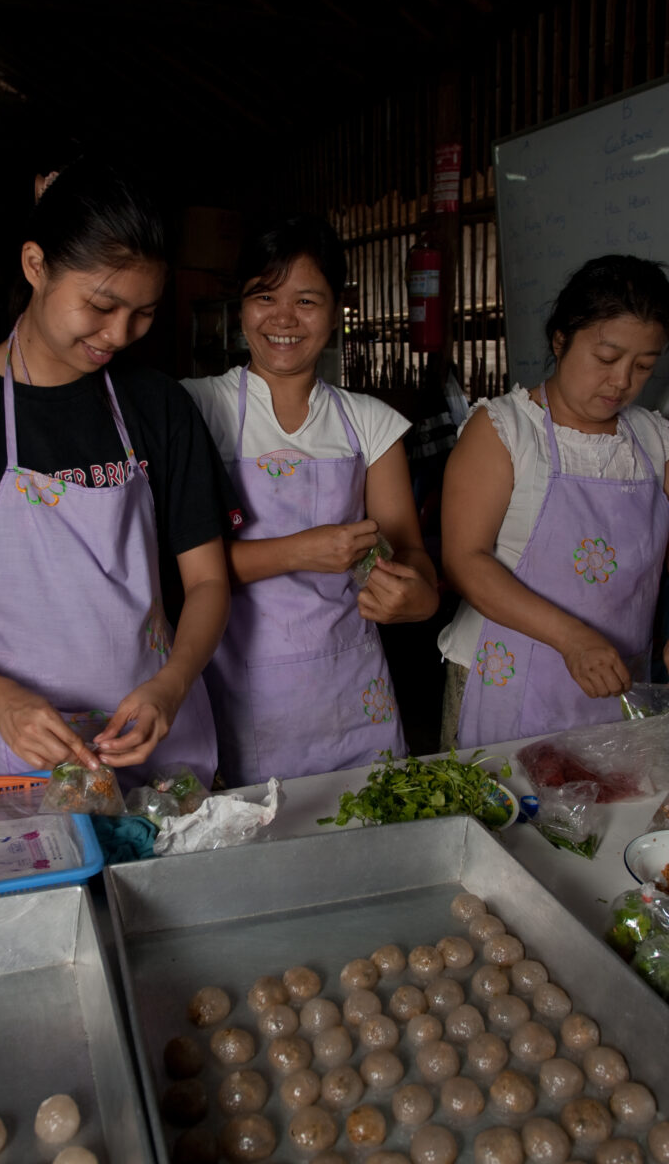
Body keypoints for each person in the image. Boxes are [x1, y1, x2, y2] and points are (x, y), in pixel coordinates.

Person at [0, 157, 232, 784]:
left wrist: (171, 686)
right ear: (36, 266)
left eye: (143, 313)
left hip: (155, 742)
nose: (120, 334)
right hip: (15, 759)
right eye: (101, 305)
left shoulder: (159, 406)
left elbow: (206, 583)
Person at [182, 214, 439, 787]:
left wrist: (415, 595)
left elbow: (412, 557)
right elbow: (174, 569)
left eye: (306, 300)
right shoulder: (197, 411)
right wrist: (299, 551)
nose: (283, 319)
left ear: (336, 308)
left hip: (353, 693)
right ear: (241, 305)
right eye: (264, 297)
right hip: (240, 691)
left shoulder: (369, 423)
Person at [439, 254, 669, 750]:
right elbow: (464, 559)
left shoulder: (656, 442)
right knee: (498, 818)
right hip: (504, 678)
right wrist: (571, 638)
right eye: (607, 358)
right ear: (560, 339)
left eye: (644, 366)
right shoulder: (505, 430)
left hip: (615, 683)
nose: (621, 381)